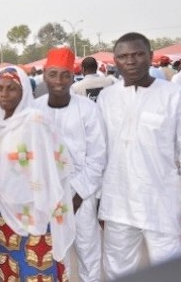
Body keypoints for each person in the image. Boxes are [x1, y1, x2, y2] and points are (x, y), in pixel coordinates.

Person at [97, 32, 181, 279]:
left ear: (150, 57)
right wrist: (98, 200)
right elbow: (99, 154)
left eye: (138, 54)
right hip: (118, 204)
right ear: (115, 61)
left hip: (162, 204)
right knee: (117, 270)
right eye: (123, 56)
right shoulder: (106, 98)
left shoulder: (175, 95)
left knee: (171, 271)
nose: (131, 61)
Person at [0, 66, 75, 282]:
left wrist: (42, 205)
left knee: (36, 271)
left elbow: (55, 168)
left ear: (24, 90)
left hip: (37, 214)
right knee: (12, 270)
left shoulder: (35, 121)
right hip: (7, 215)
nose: (4, 95)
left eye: (11, 89)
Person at [35, 48, 106, 282]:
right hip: (47, 197)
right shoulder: (34, 110)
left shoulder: (88, 109)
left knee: (89, 257)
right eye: (53, 74)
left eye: (65, 75)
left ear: (73, 76)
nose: (59, 81)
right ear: (45, 74)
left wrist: (75, 196)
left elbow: (97, 158)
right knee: (55, 258)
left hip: (81, 196)